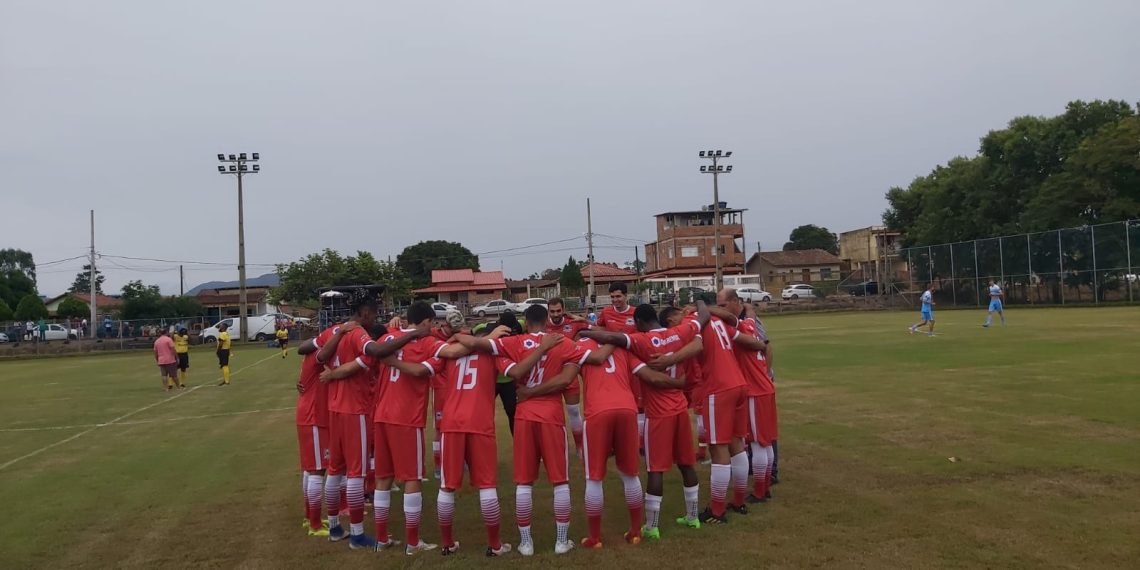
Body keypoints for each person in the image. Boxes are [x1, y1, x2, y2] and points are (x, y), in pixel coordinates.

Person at [458, 304, 592, 557]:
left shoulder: (513, 343)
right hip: (551, 415)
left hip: (524, 415)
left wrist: (455, 335)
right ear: (546, 320)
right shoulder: (564, 344)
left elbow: (475, 345)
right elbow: (566, 380)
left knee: (523, 482)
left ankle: (526, 543)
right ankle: (562, 542)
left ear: (526, 322)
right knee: (560, 481)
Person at [582, 301, 710, 537]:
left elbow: (619, 339)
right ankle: (693, 517)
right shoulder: (679, 332)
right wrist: (700, 303)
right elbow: (703, 318)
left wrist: (585, 331)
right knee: (686, 464)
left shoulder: (642, 340)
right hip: (681, 409)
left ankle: (652, 526)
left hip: (658, 413)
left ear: (639, 322)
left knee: (655, 469)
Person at [315, 290, 426, 550]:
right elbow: (375, 350)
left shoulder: (336, 331)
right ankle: (356, 534)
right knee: (356, 473)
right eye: (373, 313)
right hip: (355, 409)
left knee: (335, 470)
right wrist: (412, 333)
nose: (374, 317)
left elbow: (320, 356)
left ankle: (333, 527)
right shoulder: (357, 333)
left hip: (335, 409)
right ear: (365, 312)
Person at [575, 335, 675, 548]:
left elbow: (566, 376)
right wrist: (678, 383)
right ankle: (636, 531)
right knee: (630, 473)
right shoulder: (623, 348)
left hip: (597, 412)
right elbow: (650, 376)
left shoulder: (579, 346)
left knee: (593, 477)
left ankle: (594, 538)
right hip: (627, 409)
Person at [293, 321, 359, 537]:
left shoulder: (312, 353)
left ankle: (307, 517)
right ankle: (313, 523)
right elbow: (324, 354)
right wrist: (341, 333)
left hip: (309, 414)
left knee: (311, 468)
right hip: (314, 416)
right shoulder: (319, 354)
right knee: (317, 470)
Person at [717, 288, 777, 506]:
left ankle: (760, 491)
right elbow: (750, 313)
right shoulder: (749, 324)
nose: (721, 310)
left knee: (759, 444)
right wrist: (747, 307)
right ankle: (766, 486)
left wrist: (706, 310)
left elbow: (734, 319)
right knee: (766, 442)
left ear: (734, 303)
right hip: (765, 387)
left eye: (723, 305)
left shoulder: (739, 329)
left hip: (755, 391)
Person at [546, 297, 589, 457]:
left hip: (570, 375)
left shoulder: (574, 323)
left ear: (563, 310)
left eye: (558, 311)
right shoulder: (543, 325)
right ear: (548, 311)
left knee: (573, 411)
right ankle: (551, 448)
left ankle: (579, 446)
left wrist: (584, 319)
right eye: (552, 311)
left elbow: (598, 328)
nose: (556, 314)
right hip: (549, 376)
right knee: (549, 414)